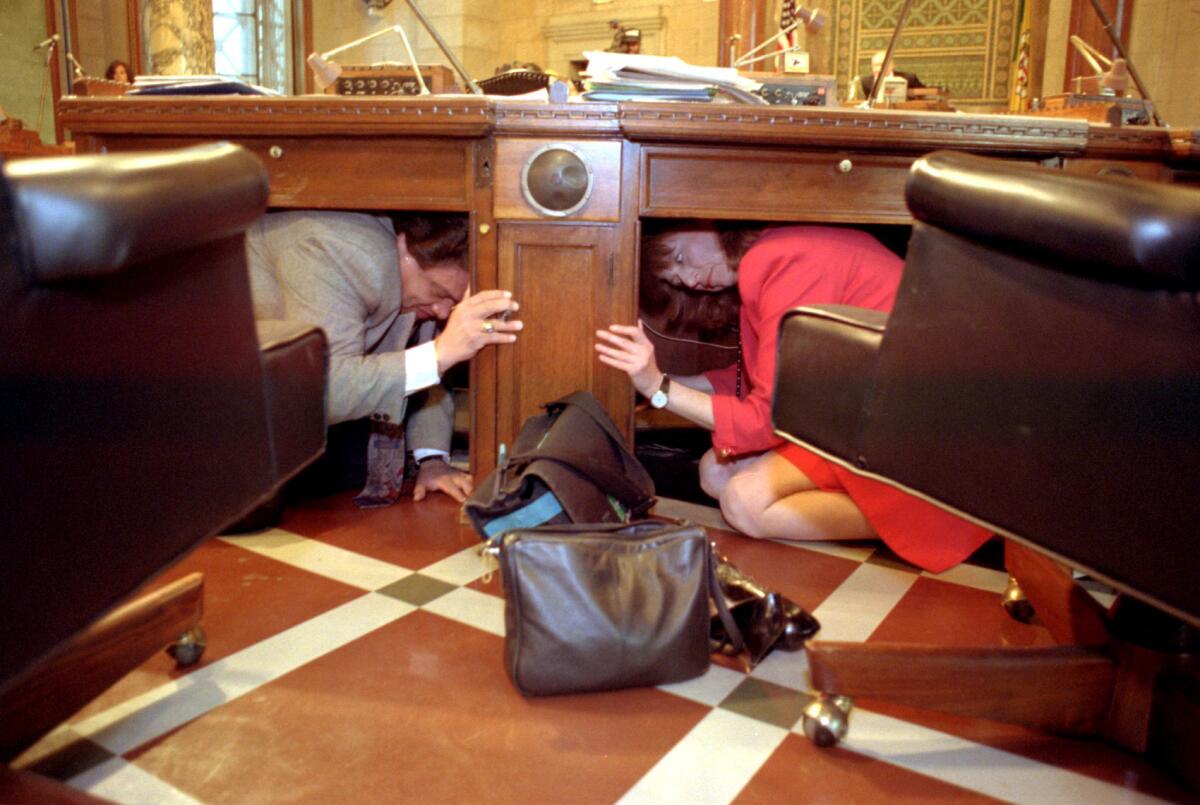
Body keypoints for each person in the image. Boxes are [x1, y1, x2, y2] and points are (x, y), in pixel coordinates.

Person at [595, 222, 991, 573]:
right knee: (714, 472)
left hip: (915, 432)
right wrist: (666, 380)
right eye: (678, 278)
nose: (691, 280)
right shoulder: (777, 248)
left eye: (681, 256)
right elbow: (767, 379)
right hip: (868, 414)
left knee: (743, 504)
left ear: (710, 221)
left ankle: (921, 514)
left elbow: (767, 416)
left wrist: (659, 389)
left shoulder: (783, 260)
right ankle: (895, 507)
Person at [246, 211, 521, 507]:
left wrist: (432, 462)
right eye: (438, 293)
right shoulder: (345, 255)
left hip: (281, 410)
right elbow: (321, 392)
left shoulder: (417, 283)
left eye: (451, 303)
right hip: (223, 415)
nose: (443, 312)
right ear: (403, 250)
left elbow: (422, 367)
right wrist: (441, 353)